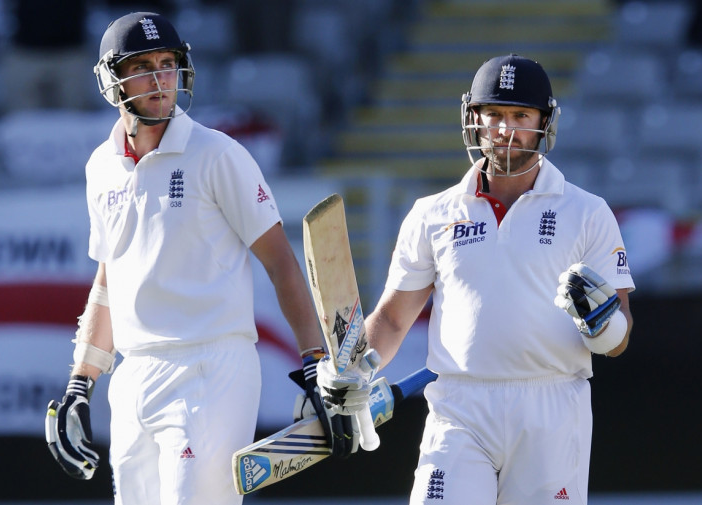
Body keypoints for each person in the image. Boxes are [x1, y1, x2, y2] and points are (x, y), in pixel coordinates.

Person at [44, 12, 354, 505]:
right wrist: (82, 381)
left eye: (167, 64)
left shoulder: (218, 154)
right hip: (134, 376)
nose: (160, 78)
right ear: (111, 80)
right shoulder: (101, 167)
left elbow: (281, 263)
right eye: (142, 66)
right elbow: (110, 278)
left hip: (210, 370)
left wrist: (316, 362)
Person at [317, 54, 634, 504]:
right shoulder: (433, 213)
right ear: (474, 120)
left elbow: (619, 337)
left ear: (545, 121)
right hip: (459, 409)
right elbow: (391, 321)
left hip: (551, 407)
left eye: (521, 116)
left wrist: (603, 325)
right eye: (495, 116)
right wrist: (350, 366)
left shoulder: (587, 212)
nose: (506, 131)